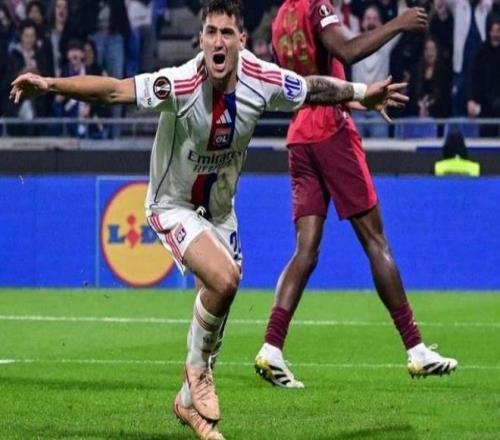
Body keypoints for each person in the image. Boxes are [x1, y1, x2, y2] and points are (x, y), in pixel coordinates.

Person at [10, 1, 408, 438]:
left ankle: (187, 402)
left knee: (218, 305)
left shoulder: (262, 78)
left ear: (242, 41)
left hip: (220, 211)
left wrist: (360, 93)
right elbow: (113, 91)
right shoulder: (180, 83)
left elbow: (310, 87)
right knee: (225, 279)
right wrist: (49, 84)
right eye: (211, 32)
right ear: (199, 39)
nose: (219, 41)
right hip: (172, 204)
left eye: (227, 33)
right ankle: (197, 373)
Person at [254, 0, 458, 389]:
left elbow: (305, 88)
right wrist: (397, 24)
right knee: (376, 241)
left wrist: (360, 98)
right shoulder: (317, 6)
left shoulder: (281, 19)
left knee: (305, 251)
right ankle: (416, 350)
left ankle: (272, 347)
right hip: (332, 133)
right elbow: (346, 50)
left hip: (300, 136)